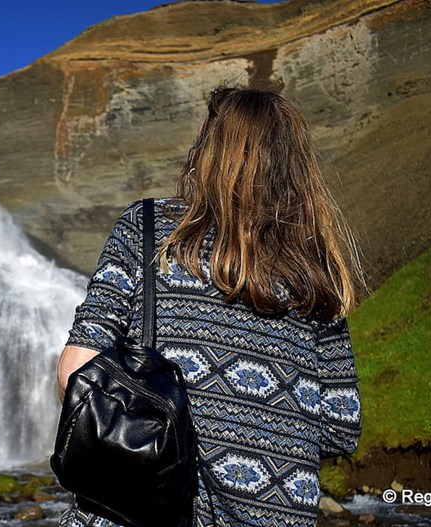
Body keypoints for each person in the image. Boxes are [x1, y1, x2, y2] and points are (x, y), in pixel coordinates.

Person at [56, 87, 363, 527]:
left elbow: (76, 370)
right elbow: (340, 425)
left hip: (140, 512)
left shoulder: (149, 230)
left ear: (208, 149)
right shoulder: (316, 271)